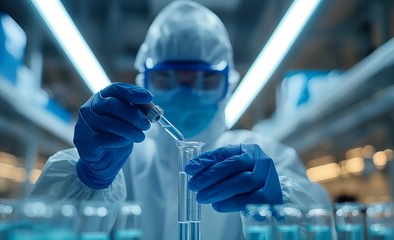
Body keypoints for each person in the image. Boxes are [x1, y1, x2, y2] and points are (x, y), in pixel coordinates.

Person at [31, 1, 331, 239]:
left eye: (204, 80)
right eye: (167, 78)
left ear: (227, 85)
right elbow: (36, 231)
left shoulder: (268, 160)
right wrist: (88, 179)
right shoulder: (117, 156)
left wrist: (282, 207)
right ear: (143, 81)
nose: (185, 91)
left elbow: (324, 224)